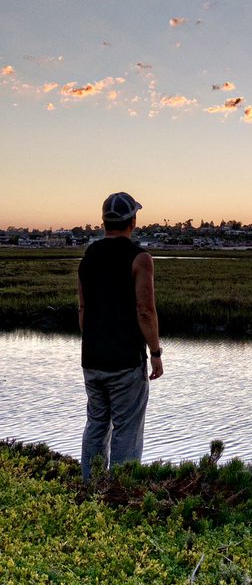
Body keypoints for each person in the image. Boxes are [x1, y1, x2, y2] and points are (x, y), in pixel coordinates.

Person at [78, 191, 163, 479]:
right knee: (127, 430)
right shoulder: (140, 258)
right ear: (133, 221)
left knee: (96, 424)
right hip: (126, 361)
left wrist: (93, 343)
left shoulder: (88, 255)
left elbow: (83, 309)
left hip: (92, 359)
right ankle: (121, 492)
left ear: (104, 222)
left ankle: (90, 486)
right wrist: (156, 354)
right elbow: (145, 311)